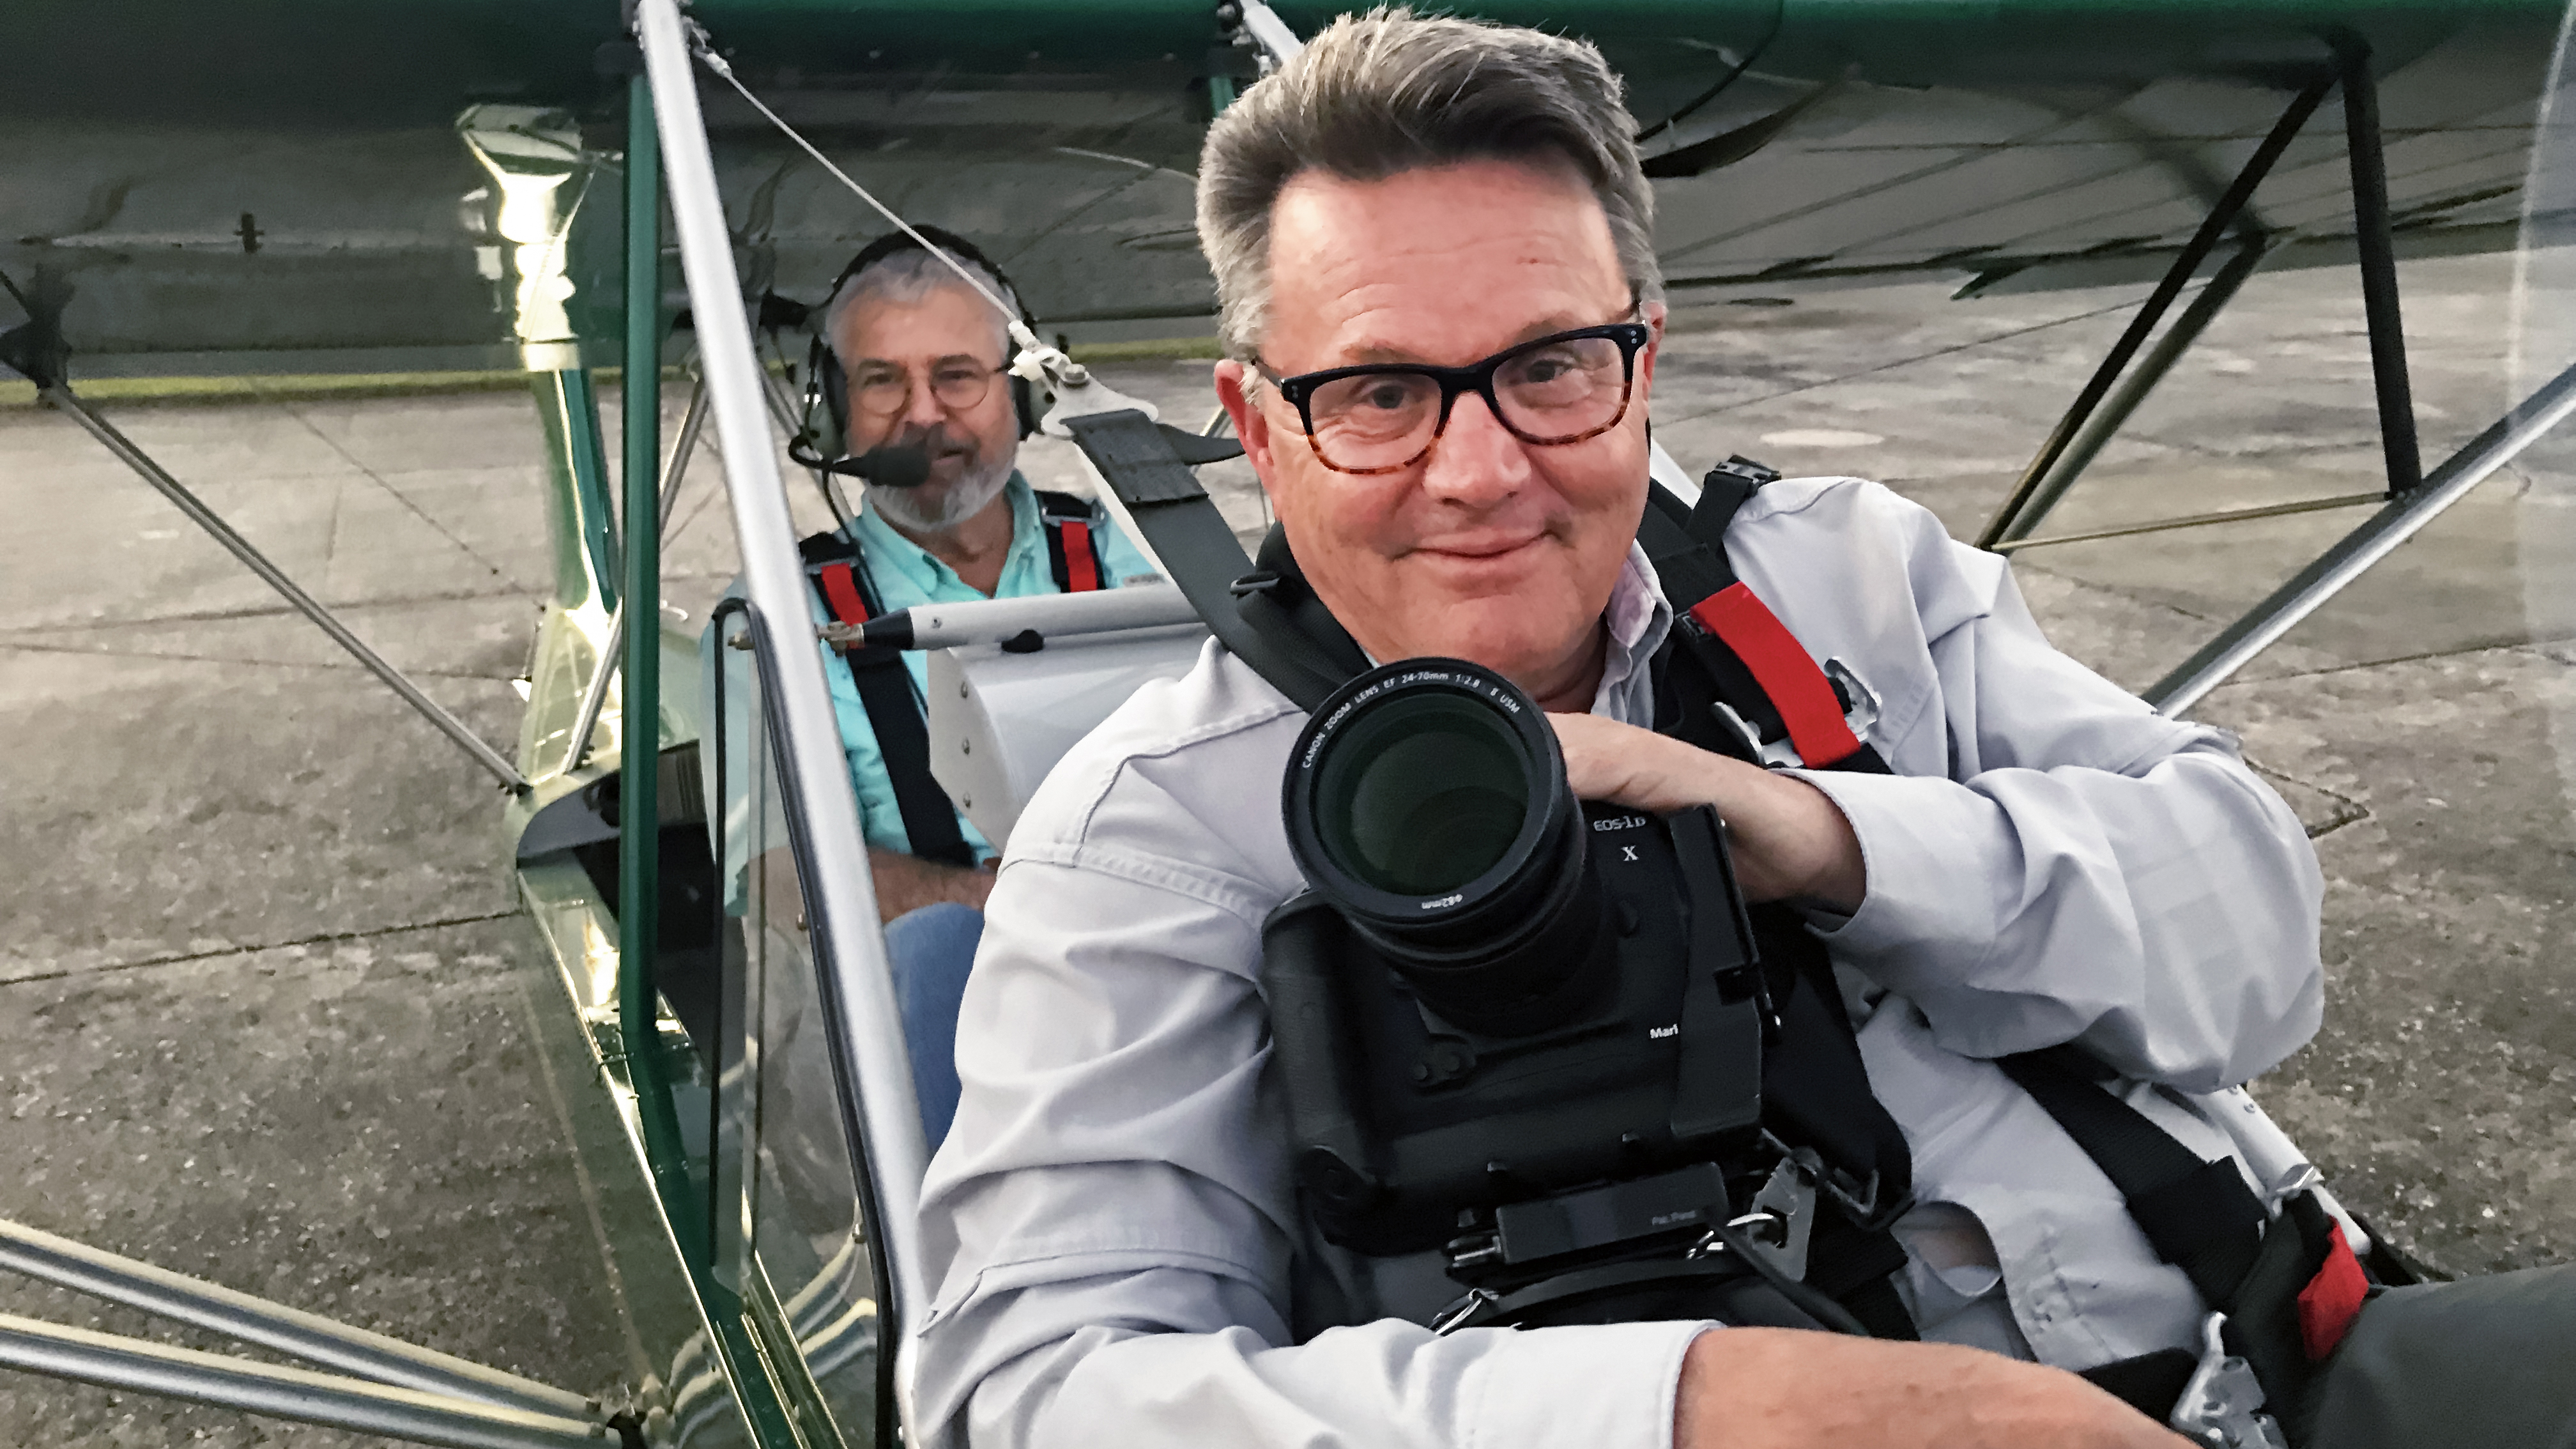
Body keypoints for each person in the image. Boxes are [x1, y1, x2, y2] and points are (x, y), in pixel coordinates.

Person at [914, 13, 2575, 1449]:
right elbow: (1032, 1390)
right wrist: (1697, 1406)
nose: (1480, 473)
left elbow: (2259, 942)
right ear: (1257, 426)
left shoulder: (1848, 578)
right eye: (1379, 393)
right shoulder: (1156, 835)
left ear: (1644, 364)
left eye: (1550, 366)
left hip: (2301, 1365)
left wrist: (1833, 838)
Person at [702, 227, 1156, 1150]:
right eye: (883, 383)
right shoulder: (774, 615)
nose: (923, 415)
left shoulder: (1130, 553)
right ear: (837, 412)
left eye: (957, 377)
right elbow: (780, 876)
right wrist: (1003, 907)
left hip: (1150, 975)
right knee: (936, 952)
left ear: (1022, 395)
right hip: (909, 1028)